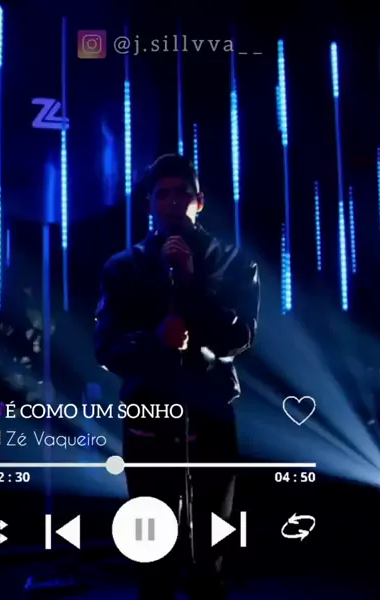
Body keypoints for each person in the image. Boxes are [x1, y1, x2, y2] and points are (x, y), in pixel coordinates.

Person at [94, 154, 260, 599]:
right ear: (149, 202)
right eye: (161, 194)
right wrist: (155, 341)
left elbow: (239, 337)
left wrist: (190, 284)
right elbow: (106, 347)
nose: (171, 203)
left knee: (212, 544)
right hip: (149, 409)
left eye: (181, 194)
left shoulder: (233, 262)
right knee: (152, 547)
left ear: (199, 201)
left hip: (211, 410)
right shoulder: (123, 267)